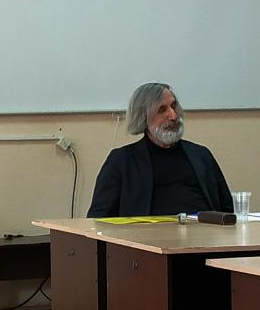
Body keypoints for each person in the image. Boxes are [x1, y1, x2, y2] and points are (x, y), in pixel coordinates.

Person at [87, 82, 233, 217]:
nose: (173, 116)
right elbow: (97, 219)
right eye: (162, 110)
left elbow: (227, 210)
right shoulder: (122, 161)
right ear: (143, 117)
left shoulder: (201, 155)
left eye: (174, 106)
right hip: (146, 235)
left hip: (202, 233)